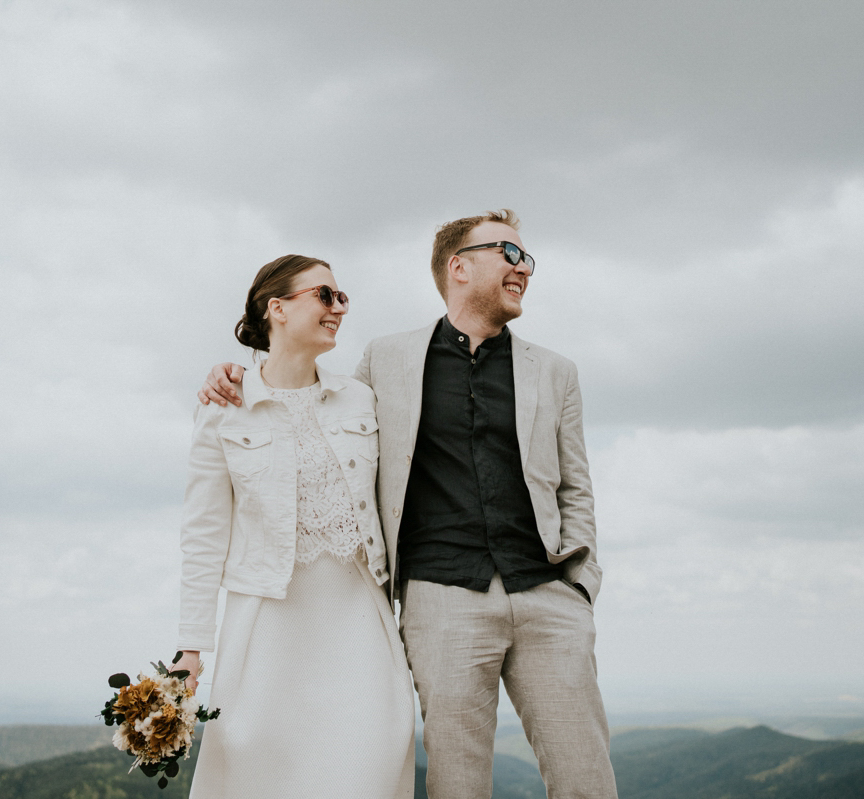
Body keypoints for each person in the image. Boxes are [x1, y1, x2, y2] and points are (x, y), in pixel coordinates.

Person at [201, 211, 618, 799]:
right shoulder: (386, 360)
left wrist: (580, 587)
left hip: (548, 597)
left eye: (528, 259)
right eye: (510, 253)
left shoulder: (557, 372)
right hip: (440, 601)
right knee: (457, 784)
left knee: (586, 779)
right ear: (459, 266)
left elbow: (577, 487)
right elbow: (310, 398)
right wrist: (234, 374)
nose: (524, 267)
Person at [174, 254, 415, 799]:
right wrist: (191, 648)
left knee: (365, 771)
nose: (339, 308)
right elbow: (203, 535)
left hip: (360, 627)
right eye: (325, 295)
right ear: (276, 308)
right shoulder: (223, 409)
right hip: (267, 632)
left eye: (342, 298)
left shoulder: (362, 397)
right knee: (262, 776)